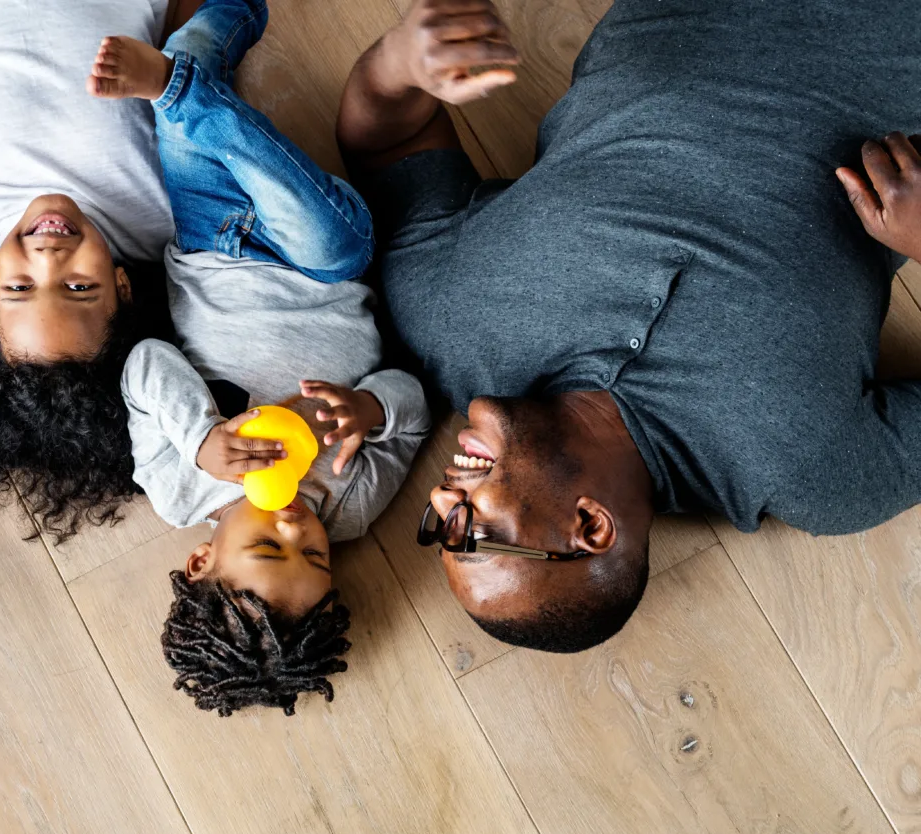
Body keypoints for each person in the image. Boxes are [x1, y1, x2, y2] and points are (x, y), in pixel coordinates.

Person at [337, 0, 921, 654]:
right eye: (470, 536)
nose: (445, 504)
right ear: (589, 526)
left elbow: (389, 144)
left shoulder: (448, 321)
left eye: (436, 526)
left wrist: (399, 63)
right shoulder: (814, 472)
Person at [94, 0, 432, 715]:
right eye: (314, 558)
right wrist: (368, 411)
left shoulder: (176, 486)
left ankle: (219, 38)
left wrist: (201, 437)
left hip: (210, 244)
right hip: (323, 273)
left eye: (270, 551)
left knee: (190, 54)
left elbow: (145, 364)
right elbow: (415, 406)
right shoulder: (351, 504)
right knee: (332, 231)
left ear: (202, 560)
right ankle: (184, 86)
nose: (297, 532)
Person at [0, 0, 196, 540]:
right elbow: (189, 62)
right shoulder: (163, 216)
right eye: (79, 287)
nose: (47, 258)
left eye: (19, 287)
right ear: (123, 289)